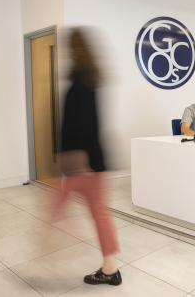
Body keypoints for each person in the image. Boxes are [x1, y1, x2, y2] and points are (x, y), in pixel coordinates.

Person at [55, 27, 122, 285]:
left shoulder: (79, 80)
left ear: (73, 49)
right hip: (92, 160)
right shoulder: (91, 78)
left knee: (62, 208)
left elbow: (81, 125)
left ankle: (109, 268)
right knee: (97, 213)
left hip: (83, 163)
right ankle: (109, 267)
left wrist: (74, 159)